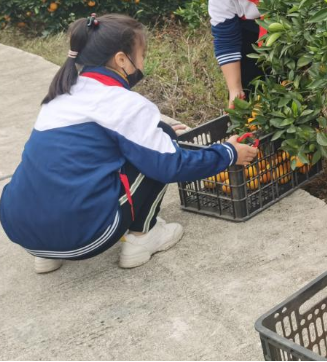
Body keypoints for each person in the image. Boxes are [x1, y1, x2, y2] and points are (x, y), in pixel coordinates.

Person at [0, 14, 258, 273]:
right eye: (142, 55)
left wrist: (162, 130)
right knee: (153, 158)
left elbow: (96, 139)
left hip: (24, 232)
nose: (143, 62)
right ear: (122, 59)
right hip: (87, 237)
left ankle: (48, 253)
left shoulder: (61, 95)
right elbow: (170, 166)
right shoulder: (124, 102)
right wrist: (227, 153)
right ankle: (143, 238)